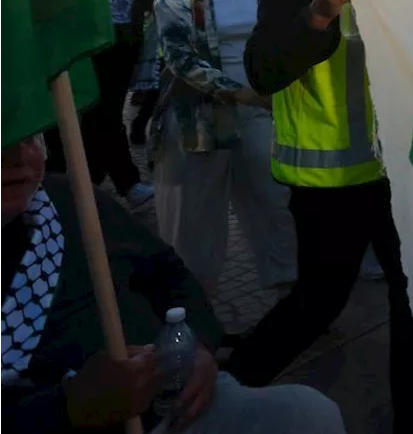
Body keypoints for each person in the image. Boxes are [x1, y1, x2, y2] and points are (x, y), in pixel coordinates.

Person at [228, 0, 413, 433]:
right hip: (331, 180)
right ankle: (217, 394)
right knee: (320, 302)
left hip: (403, 167)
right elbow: (263, 69)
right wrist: (321, 12)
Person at [0, 135, 345, 434]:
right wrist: (66, 409)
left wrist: (197, 346)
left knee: (307, 413)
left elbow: (169, 273)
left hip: (177, 409)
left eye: (30, 139)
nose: (17, 157)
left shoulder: (70, 199)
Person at [149, 0, 297, 298]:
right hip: (200, 119)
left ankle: (287, 288)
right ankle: (193, 310)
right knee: (197, 221)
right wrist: (241, 94)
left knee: (274, 200)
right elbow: (179, 58)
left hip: (257, 111)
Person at [44, 0, 154, 207]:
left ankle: (105, 181)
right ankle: (103, 182)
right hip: (88, 49)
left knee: (107, 115)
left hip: (122, 50)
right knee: (87, 116)